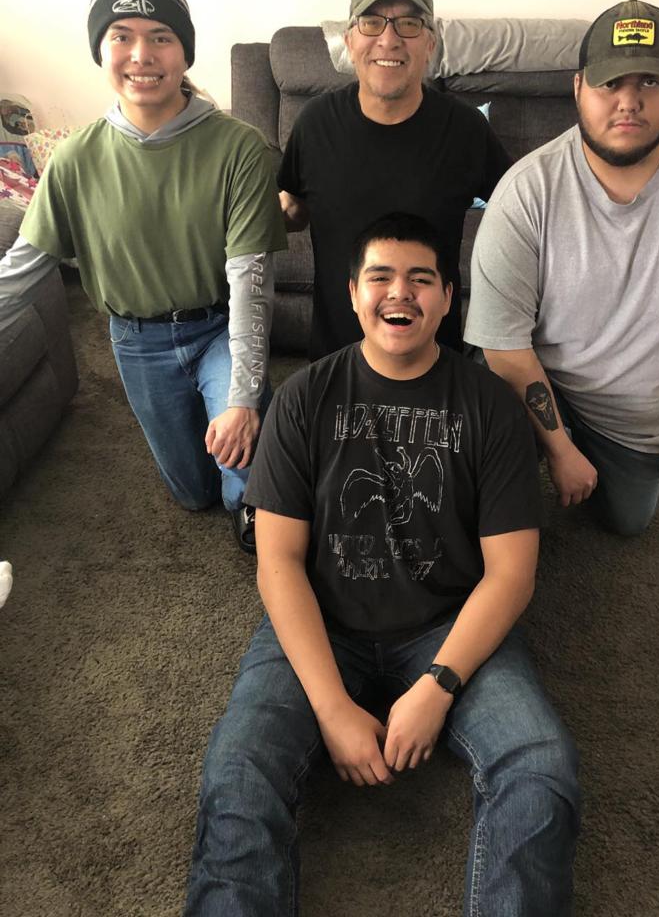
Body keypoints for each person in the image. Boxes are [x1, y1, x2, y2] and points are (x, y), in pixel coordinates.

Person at [183, 213, 580, 917]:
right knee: (237, 774)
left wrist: (439, 686)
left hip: (449, 621)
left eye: (421, 279)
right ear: (353, 293)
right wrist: (332, 708)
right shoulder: (304, 397)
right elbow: (278, 563)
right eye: (381, 278)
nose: (400, 293)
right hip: (323, 618)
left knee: (542, 767)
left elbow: (512, 574)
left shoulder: (490, 406)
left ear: (449, 298)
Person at [0, 0, 288, 551]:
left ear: (184, 51)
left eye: (161, 37)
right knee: (192, 492)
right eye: (121, 36)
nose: (141, 55)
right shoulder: (75, 159)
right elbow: (22, 272)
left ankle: (257, 484)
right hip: (136, 342)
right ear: (100, 49)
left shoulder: (241, 147)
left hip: (219, 327)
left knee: (243, 479)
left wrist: (242, 399)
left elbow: (251, 284)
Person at [465, 0, 659, 537]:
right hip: (539, 376)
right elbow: (503, 344)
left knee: (627, 521)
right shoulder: (527, 190)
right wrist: (560, 449)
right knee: (477, 462)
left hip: (635, 417)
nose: (629, 102)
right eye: (610, 83)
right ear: (578, 88)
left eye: (649, 82)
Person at [278, 0, 512, 360]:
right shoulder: (315, 123)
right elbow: (291, 211)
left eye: (409, 24)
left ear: (430, 43)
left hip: (435, 363)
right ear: (349, 40)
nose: (389, 39)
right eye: (371, 22)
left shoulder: (465, 129)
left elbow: (521, 213)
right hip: (337, 362)